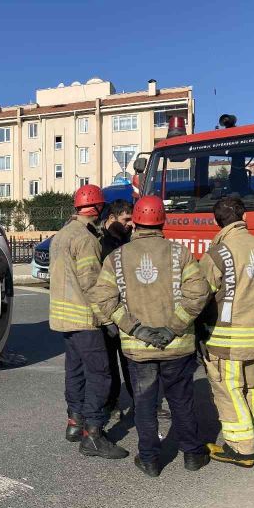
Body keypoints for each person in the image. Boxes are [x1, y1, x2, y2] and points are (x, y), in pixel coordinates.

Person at [90, 196, 210, 477]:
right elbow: (198, 294)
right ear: (162, 221)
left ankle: (150, 460)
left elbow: (103, 298)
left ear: (135, 223)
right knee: (181, 401)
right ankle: (192, 454)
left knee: (144, 404)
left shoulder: (116, 258)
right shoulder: (180, 254)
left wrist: (136, 328)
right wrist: (173, 328)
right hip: (177, 347)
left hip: (138, 348)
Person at [199, 197, 254, 467]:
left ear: (215, 221)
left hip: (227, 340)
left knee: (229, 390)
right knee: (252, 387)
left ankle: (242, 449)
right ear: (244, 217)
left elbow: (200, 296)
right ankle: (251, 433)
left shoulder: (218, 253)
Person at [50, 184, 128, 460]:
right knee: (100, 374)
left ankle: (75, 423)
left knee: (76, 371)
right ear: (96, 208)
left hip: (64, 318)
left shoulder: (61, 235)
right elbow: (92, 283)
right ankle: (93, 435)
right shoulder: (86, 239)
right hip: (85, 318)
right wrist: (108, 318)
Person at [98, 200, 136, 419]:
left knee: (131, 360)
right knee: (109, 364)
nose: (130, 224)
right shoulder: (101, 243)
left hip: (128, 311)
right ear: (111, 219)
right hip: (109, 312)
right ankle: (111, 404)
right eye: (126, 219)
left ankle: (140, 401)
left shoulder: (126, 239)